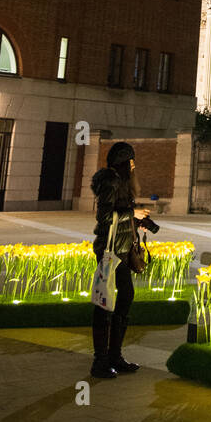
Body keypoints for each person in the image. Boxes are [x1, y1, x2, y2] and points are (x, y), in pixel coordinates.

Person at [90, 142, 149, 379]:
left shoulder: (123, 182)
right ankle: (100, 361)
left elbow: (121, 213)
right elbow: (104, 216)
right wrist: (131, 214)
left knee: (125, 298)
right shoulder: (111, 181)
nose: (134, 165)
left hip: (123, 250)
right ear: (122, 162)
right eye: (131, 161)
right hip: (109, 250)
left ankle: (115, 355)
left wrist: (137, 219)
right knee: (105, 303)